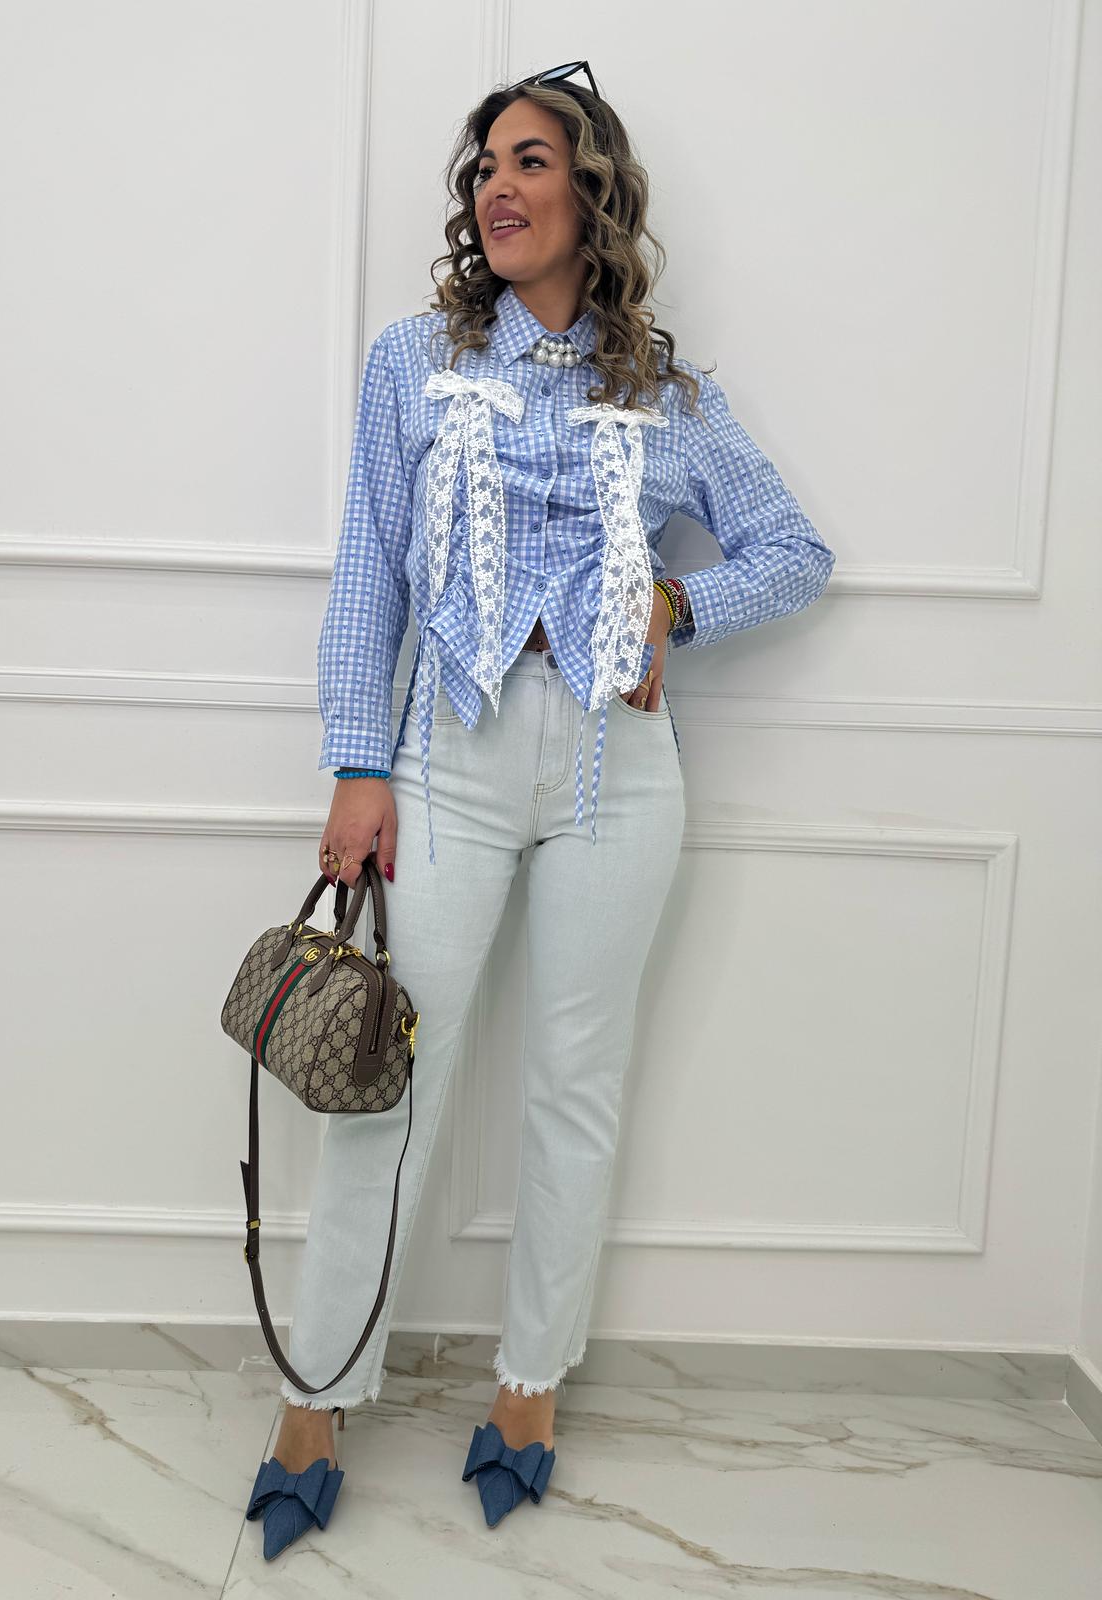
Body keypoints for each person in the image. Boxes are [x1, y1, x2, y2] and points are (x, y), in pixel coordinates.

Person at [246, 62, 836, 1554]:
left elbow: (795, 550)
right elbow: (369, 572)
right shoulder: (414, 362)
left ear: (594, 195)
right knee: (390, 1080)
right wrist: (357, 763)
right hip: (444, 757)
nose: (496, 188)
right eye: (484, 167)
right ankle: (317, 1395)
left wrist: (677, 609)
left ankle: (529, 1388)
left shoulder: (669, 400)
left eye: (529, 162)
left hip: (616, 777)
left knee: (578, 1086)